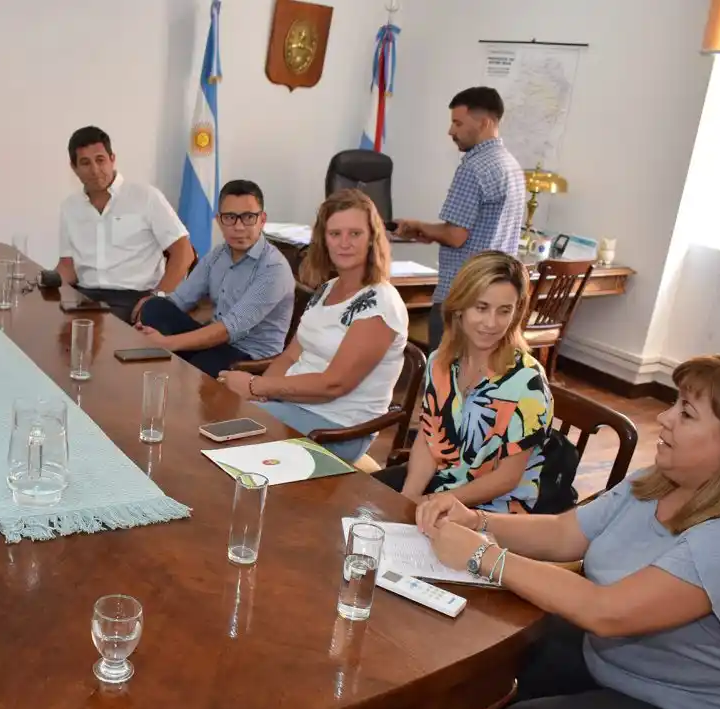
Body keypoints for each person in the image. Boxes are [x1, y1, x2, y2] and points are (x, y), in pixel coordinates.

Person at [415, 355, 720, 709]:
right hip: (631, 668)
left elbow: (607, 612)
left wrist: (483, 556)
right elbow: (565, 533)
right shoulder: (659, 481)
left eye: (686, 413)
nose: (665, 418)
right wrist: (477, 521)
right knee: (502, 663)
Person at [217, 189, 408, 464]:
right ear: (324, 240)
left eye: (355, 234)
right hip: (293, 406)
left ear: (371, 239)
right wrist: (257, 394)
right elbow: (291, 355)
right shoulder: (328, 289)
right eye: (335, 234)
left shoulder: (380, 302)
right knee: (219, 416)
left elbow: (334, 384)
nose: (344, 243)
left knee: (231, 439)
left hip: (336, 430)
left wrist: (257, 386)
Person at [372, 252, 552, 513]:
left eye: (504, 311)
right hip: (441, 486)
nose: (491, 323)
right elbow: (429, 436)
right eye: (481, 308)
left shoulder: (528, 381)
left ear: (516, 313)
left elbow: (507, 479)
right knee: (356, 505)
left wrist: (436, 502)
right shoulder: (441, 362)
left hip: (494, 510)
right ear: (459, 307)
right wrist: (410, 495)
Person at [393, 87, 525, 352]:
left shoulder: (473, 167)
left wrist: (419, 226)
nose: (451, 131)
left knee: (443, 378)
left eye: (458, 123)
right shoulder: (511, 165)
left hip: (463, 295)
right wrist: (429, 232)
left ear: (484, 122)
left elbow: (456, 235)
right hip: (495, 299)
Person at [134, 179, 294, 377]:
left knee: (198, 366)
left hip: (249, 355)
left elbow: (227, 330)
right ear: (219, 220)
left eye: (248, 217)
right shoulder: (219, 255)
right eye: (230, 217)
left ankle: (169, 372)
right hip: (215, 341)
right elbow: (179, 300)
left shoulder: (273, 268)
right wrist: (148, 314)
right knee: (155, 307)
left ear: (262, 220)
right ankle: (161, 372)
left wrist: (166, 343)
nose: (238, 227)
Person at [56, 126, 196, 323]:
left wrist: (157, 299)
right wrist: (37, 287)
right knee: (43, 327)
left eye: (100, 160)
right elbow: (67, 267)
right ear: (74, 167)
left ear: (112, 159)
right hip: (85, 298)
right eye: (85, 163)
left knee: (93, 341)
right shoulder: (70, 207)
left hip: (134, 298)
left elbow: (184, 253)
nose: (95, 170)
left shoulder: (145, 197)